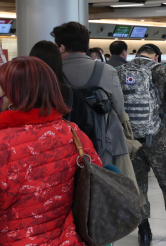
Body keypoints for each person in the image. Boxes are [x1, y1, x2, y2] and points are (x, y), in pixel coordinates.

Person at [0, 56, 102, 245]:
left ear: (14, 95)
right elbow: (94, 180)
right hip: (67, 238)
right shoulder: (72, 131)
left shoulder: (4, 143)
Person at [129, 44, 166, 245]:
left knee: (137, 185)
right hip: (159, 136)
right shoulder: (163, 70)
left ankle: (144, 232)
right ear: (156, 56)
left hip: (130, 139)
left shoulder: (120, 72)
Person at [53, 21, 129, 166]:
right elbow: (119, 109)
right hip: (102, 145)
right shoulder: (107, 71)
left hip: (64, 145)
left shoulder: (53, 73)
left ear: (62, 47)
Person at [29, 40, 97, 156]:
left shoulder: (21, 94)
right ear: (59, 63)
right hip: (65, 157)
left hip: (29, 154)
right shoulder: (72, 94)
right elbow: (85, 131)